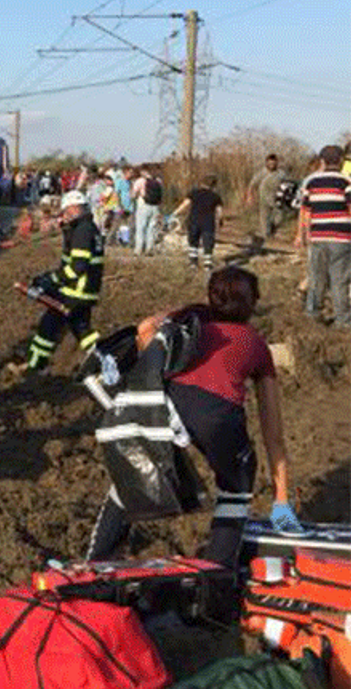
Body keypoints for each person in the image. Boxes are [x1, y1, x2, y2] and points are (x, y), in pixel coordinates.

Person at [86, 267, 297, 571]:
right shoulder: (257, 345)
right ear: (253, 304)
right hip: (218, 417)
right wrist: (281, 498)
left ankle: (97, 560)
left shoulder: (193, 329)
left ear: (212, 298)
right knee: (237, 485)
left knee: (133, 470)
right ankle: (216, 571)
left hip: (167, 406)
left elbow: (146, 328)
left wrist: (186, 310)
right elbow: (272, 432)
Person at [23, 190, 104, 371]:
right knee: (82, 330)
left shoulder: (83, 231)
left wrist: (50, 280)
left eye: (66, 212)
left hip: (76, 291)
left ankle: (34, 367)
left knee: (48, 325)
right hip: (86, 291)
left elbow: (77, 267)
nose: (64, 217)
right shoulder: (87, 227)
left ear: (74, 209)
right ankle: (106, 361)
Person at [296, 144, 351, 328]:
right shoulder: (347, 182)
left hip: (318, 236)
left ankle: (313, 314)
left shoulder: (311, 182)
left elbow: (305, 211)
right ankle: (342, 320)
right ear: (341, 161)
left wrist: (302, 234)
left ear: (322, 161)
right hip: (342, 239)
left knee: (317, 277)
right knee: (339, 280)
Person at [171, 175, 224, 270]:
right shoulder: (215, 196)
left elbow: (185, 204)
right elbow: (219, 211)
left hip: (194, 221)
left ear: (202, 183)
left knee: (193, 241)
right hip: (208, 222)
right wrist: (220, 220)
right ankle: (207, 264)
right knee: (208, 243)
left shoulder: (194, 193)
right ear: (213, 185)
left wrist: (175, 213)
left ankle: (193, 263)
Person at [247, 154, 286, 246]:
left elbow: (287, 184)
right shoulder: (262, 173)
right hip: (263, 200)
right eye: (270, 163)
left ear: (277, 163)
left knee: (278, 219)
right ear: (266, 163)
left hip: (277, 200)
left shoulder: (281, 174)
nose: (272, 165)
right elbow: (252, 184)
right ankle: (266, 240)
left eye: (274, 163)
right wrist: (250, 196)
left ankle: (271, 231)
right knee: (264, 221)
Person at [132, 166, 164, 256]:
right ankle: (149, 249)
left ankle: (138, 250)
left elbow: (133, 194)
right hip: (155, 207)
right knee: (151, 228)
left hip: (143, 206)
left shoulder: (140, 181)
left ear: (143, 171)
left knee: (140, 228)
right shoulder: (159, 181)